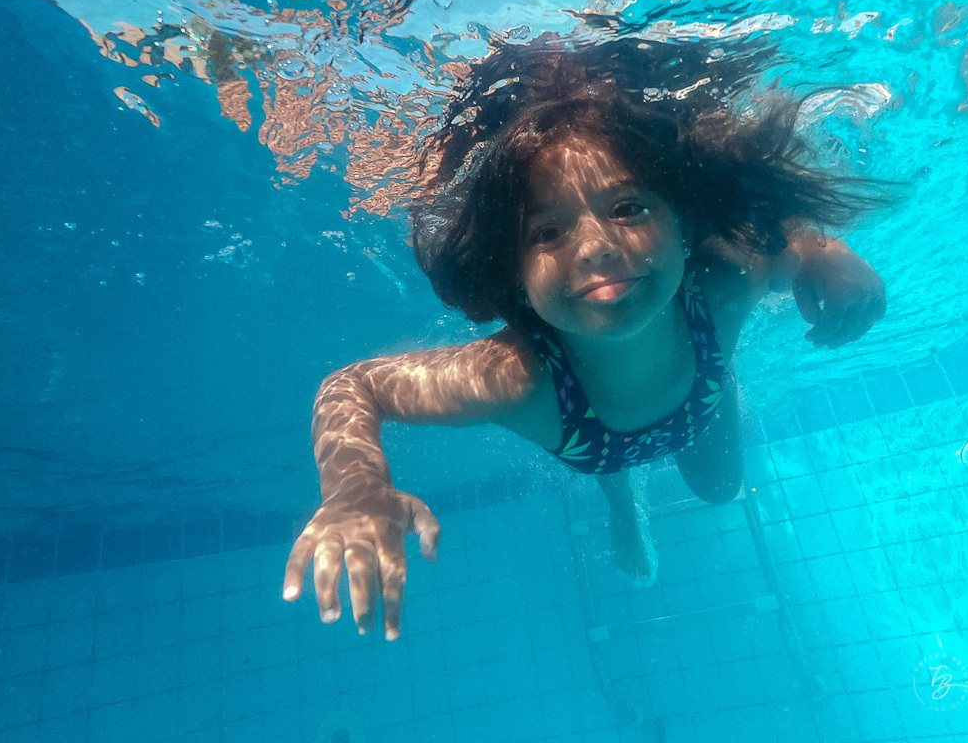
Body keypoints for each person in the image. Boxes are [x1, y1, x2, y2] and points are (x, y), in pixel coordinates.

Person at [282, 35, 892, 641]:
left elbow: (794, 241)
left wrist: (832, 257)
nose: (597, 247)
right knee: (607, 440)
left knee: (718, 488)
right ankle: (622, 505)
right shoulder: (518, 382)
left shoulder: (726, 286)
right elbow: (354, 384)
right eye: (547, 233)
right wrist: (355, 486)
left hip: (697, 397)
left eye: (627, 208)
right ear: (515, 280)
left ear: (683, 226)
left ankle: (696, 405)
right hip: (586, 426)